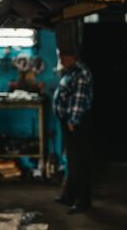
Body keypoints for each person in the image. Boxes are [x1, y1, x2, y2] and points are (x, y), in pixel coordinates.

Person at [53, 50, 93, 214]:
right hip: (70, 122)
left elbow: (79, 98)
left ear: (73, 57)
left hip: (76, 124)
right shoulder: (71, 71)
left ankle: (82, 202)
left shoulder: (81, 73)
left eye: (63, 56)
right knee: (71, 162)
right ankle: (70, 196)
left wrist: (72, 121)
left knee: (79, 164)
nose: (60, 59)